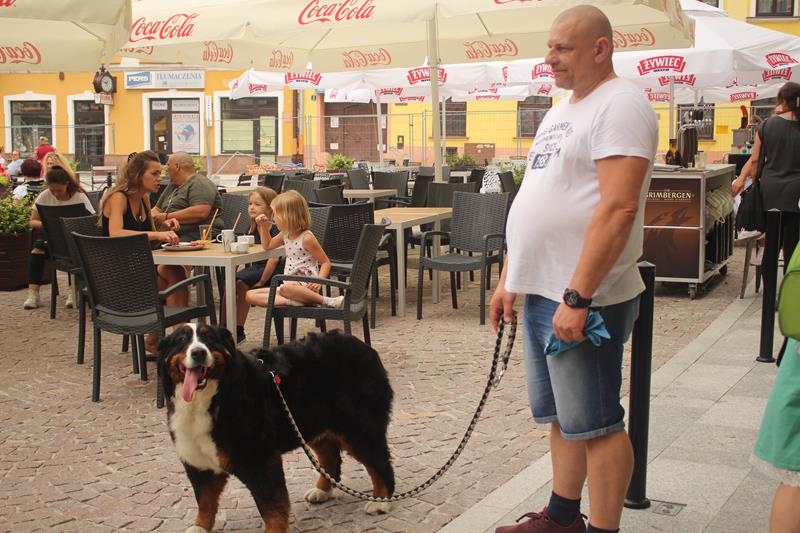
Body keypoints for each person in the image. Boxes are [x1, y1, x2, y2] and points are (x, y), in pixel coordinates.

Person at [489, 6, 658, 533]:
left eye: (562, 47)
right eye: (550, 46)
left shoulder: (621, 103)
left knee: (598, 422)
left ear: (600, 49)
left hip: (586, 297)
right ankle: (561, 519)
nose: (550, 57)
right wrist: (510, 279)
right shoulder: (562, 109)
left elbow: (619, 207)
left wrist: (579, 296)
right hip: (545, 291)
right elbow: (540, 195)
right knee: (562, 417)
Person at [100, 150, 186, 353]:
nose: (160, 178)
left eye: (160, 173)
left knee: (176, 273)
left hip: (140, 269)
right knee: (176, 279)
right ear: (138, 175)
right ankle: (179, 342)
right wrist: (157, 235)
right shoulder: (118, 197)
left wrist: (164, 227)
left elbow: (151, 234)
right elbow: (115, 232)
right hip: (119, 276)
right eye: (154, 174)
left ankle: (169, 341)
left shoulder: (144, 199)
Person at [732, 82, 800, 274]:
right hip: (796, 194)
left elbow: (755, 160)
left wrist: (754, 181)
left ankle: (768, 293)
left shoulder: (767, 125)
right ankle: (788, 288)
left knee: (770, 245)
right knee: (792, 245)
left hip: (770, 192)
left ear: (782, 100)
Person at [245, 190, 343, 310]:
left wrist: (319, 281)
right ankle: (292, 302)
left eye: (276, 214)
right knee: (249, 295)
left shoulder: (306, 238)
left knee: (286, 288)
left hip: (305, 283)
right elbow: (268, 245)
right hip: (288, 284)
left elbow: (325, 262)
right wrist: (264, 227)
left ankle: (327, 301)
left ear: (287, 216)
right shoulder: (285, 234)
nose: (273, 218)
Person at [23, 165, 95, 310]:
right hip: (52, 239)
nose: (56, 194)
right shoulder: (44, 196)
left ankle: (73, 291)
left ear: (66, 184)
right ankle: (33, 294)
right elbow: (32, 221)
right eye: (52, 190)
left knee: (77, 253)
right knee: (37, 251)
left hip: (74, 240)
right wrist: (48, 225)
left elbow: (91, 221)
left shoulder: (79, 197)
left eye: (59, 190)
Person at [229, 187, 284, 344]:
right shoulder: (251, 227)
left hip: (273, 271)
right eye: (250, 204)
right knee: (230, 282)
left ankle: (238, 329)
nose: (252, 207)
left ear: (270, 207)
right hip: (257, 268)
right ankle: (226, 326)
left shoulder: (275, 228)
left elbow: (274, 259)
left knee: (241, 282)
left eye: (257, 204)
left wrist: (261, 281)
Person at [151, 152, 223, 241]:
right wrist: (148, 220)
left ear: (177, 166)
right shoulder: (172, 185)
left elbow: (200, 212)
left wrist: (166, 217)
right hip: (171, 234)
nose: (166, 169)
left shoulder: (199, 183)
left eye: (168, 165)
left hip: (198, 234)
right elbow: (157, 209)